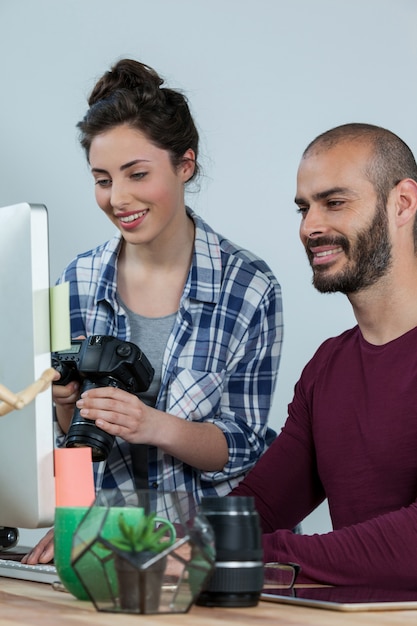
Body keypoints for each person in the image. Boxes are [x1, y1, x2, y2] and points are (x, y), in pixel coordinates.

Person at [23, 59, 282, 564]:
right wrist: (71, 516)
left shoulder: (249, 287)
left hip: (200, 554)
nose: (118, 198)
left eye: (137, 174)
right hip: (102, 546)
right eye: (102, 179)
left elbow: (244, 444)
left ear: (185, 164)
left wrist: (152, 424)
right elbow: (69, 444)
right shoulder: (73, 284)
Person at [232, 122, 417, 589]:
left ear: (403, 203)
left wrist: (259, 555)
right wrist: (141, 538)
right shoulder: (328, 367)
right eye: (304, 208)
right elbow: (261, 506)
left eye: (334, 203)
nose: (310, 226)